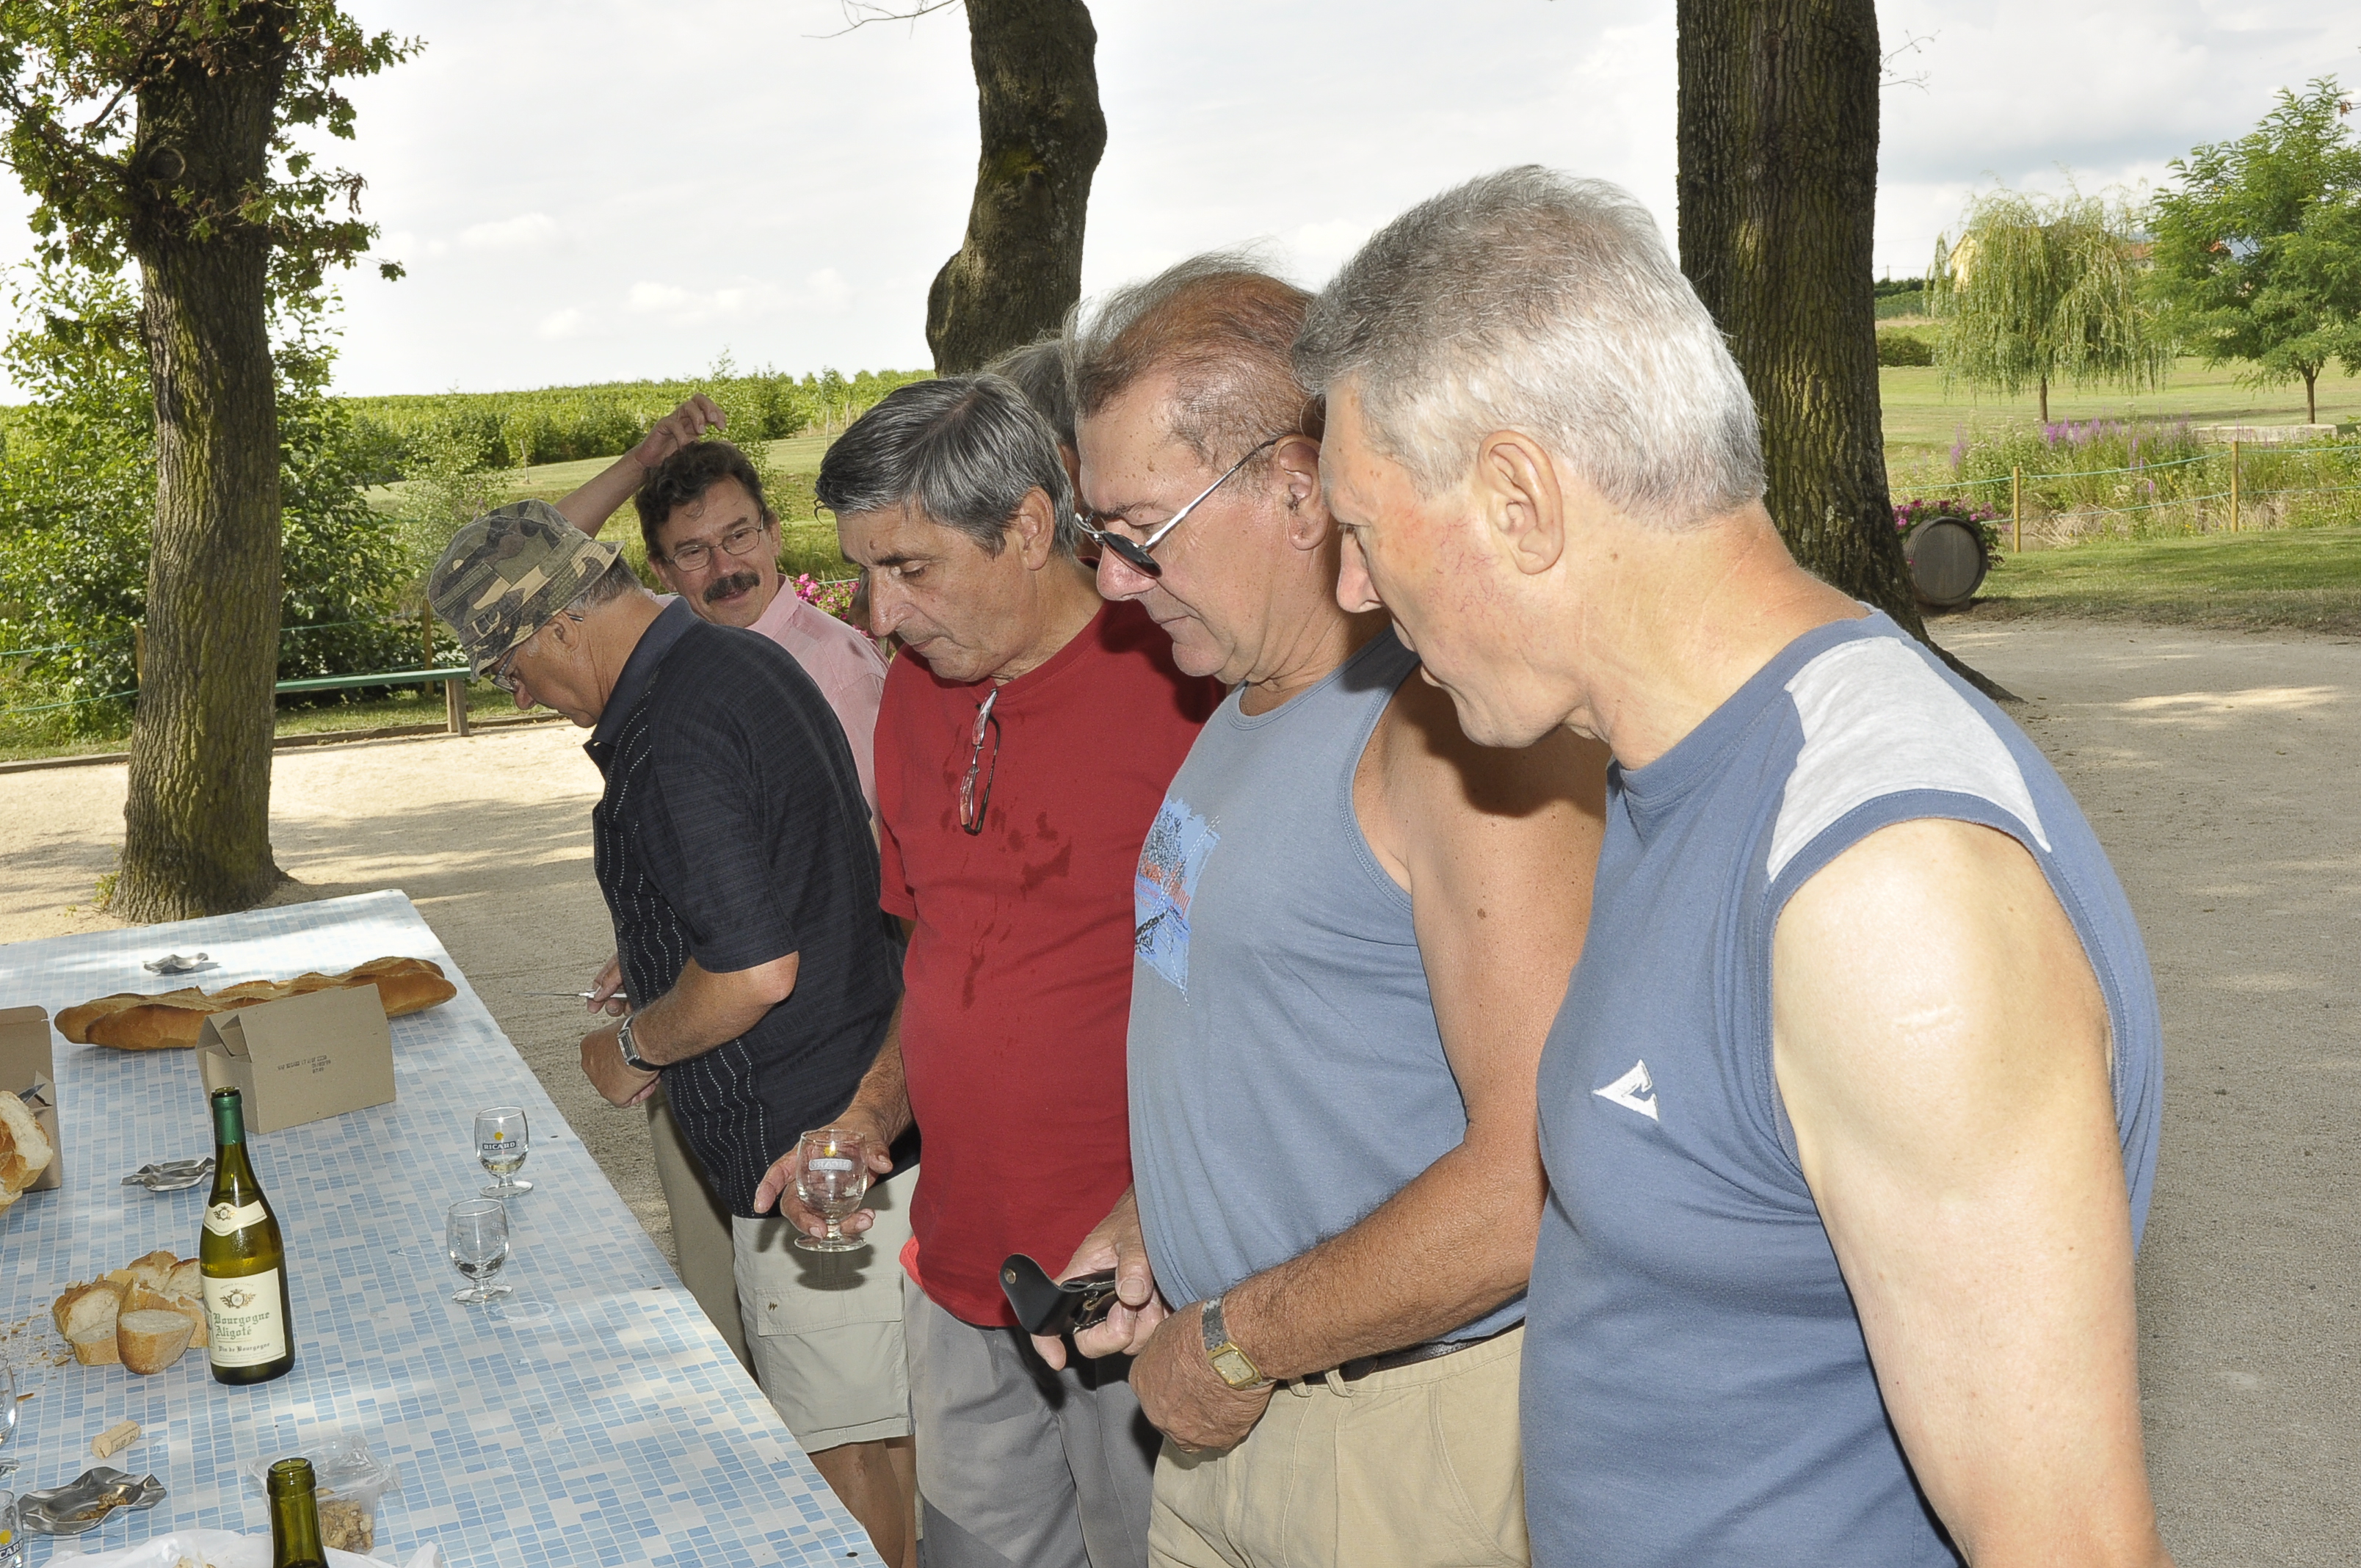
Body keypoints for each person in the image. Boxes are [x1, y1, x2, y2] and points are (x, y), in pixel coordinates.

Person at [1291, 167, 2172, 1567]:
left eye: (1362, 528)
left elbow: (2066, 1543)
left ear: (1518, 499)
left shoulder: (1885, 889)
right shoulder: (1671, 770)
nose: (1351, 591)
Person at [1059, 256, 1607, 1568]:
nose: (1115, 583)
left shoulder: (1448, 734)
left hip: (1392, 1445)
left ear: (1298, 490)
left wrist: (1238, 1338)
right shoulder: (1242, 695)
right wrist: (1159, 1216)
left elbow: (1536, 1175)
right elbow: (1270, 1025)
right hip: (1235, 1402)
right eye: (1100, 536)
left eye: (1141, 530)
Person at [751, 374, 1223, 1568]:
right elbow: (945, 959)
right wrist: (870, 1115)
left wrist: (1172, 1227)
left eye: (910, 567)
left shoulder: (1185, 680)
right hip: (957, 1269)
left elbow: (1263, 1006)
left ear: (1026, 526)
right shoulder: (914, 696)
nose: (880, 613)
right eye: (864, 572)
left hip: (1132, 1288)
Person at [425, 502, 918, 1568]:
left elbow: (753, 971)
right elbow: (769, 883)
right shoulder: (727, 659)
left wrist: (635, 1047)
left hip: (808, 1154)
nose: (520, 695)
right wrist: (655, 951)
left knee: (849, 1468)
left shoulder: (673, 727)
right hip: (843, 1126)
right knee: (884, 1439)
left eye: (510, 669)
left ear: (560, 624)